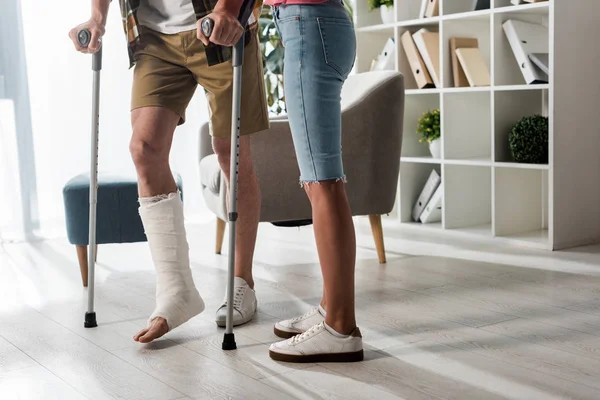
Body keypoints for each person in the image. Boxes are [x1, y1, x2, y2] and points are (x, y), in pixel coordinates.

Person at [69, 0, 269, 343]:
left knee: (231, 155)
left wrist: (227, 9)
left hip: (217, 26)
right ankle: (177, 291)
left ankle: (241, 282)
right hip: (154, 38)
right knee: (144, 150)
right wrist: (97, 18)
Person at [265, 0, 363, 362]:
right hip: (315, 23)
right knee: (317, 180)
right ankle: (329, 307)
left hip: (308, 23)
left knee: (323, 181)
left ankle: (340, 327)